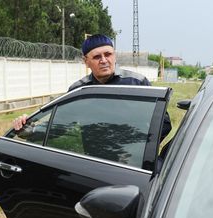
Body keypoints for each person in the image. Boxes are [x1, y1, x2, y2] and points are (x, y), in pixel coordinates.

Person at [13, 34, 171, 141]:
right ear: (85, 61)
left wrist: (141, 145)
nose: (104, 60)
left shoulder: (137, 83)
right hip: (95, 165)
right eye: (96, 57)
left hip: (135, 164)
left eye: (108, 54)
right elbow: (60, 125)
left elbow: (164, 124)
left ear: (114, 55)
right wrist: (30, 131)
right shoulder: (80, 91)